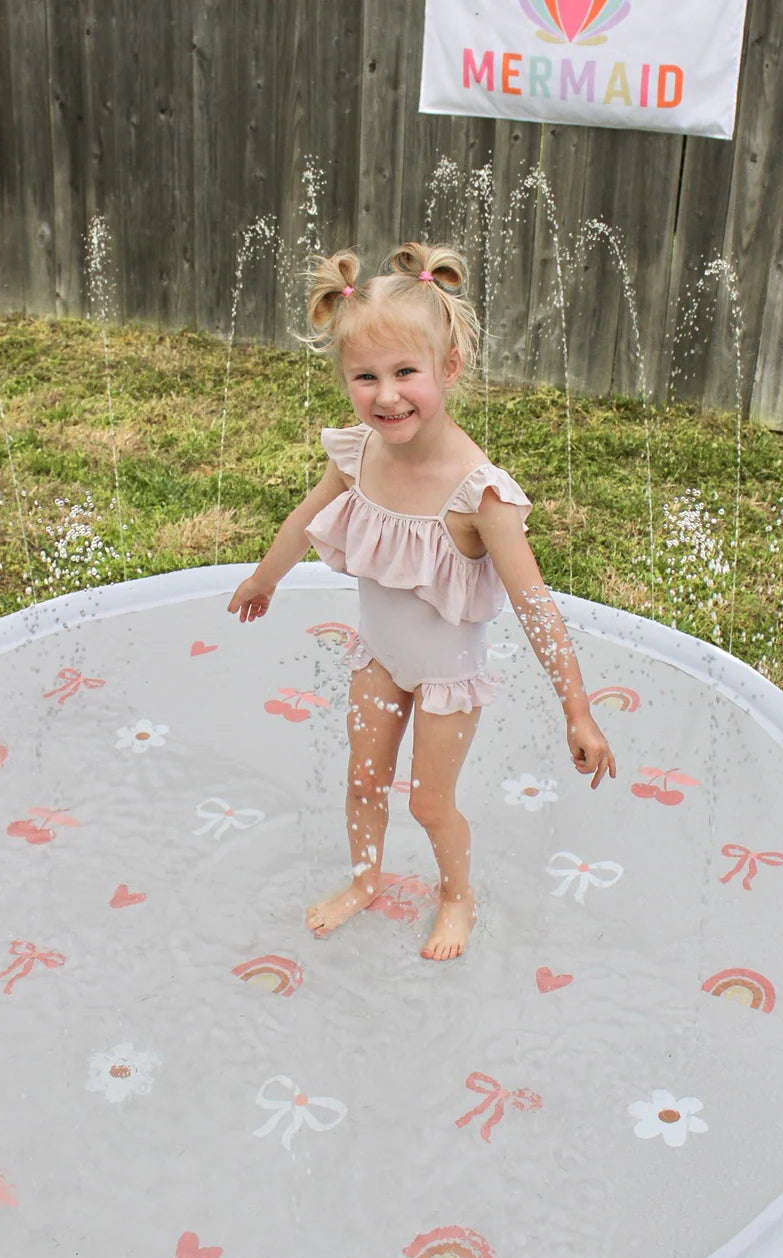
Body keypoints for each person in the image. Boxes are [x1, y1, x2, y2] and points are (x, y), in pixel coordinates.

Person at [228, 242, 615, 961]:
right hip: (379, 658)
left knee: (429, 802)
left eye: (406, 372)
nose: (386, 395)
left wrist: (578, 708)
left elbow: (535, 605)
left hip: (445, 682)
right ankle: (366, 881)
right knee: (362, 780)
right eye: (364, 377)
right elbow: (301, 518)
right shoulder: (358, 454)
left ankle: (457, 896)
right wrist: (265, 577)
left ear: (450, 367)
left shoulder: (479, 494)